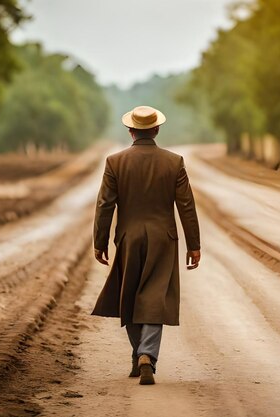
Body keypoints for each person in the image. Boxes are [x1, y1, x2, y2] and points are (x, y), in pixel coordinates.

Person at [91, 105, 201, 385]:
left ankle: (139, 354)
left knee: (129, 294)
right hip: (163, 239)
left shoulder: (115, 162)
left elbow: (105, 205)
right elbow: (186, 206)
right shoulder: (174, 162)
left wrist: (99, 242)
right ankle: (146, 356)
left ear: (131, 131)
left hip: (129, 238)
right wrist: (193, 245)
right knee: (154, 297)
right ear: (156, 129)